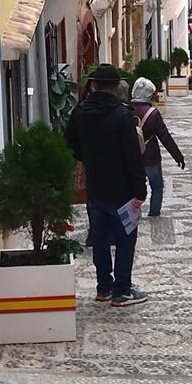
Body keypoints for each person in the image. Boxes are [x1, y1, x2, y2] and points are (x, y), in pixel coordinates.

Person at [65, 64, 149, 306]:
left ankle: (103, 288)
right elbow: (132, 157)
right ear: (116, 87)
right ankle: (122, 290)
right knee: (125, 239)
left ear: (93, 86)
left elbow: (70, 145)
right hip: (122, 189)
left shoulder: (79, 112)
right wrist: (140, 189)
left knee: (100, 239)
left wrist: (88, 157)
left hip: (95, 188)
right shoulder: (122, 116)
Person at [130, 78, 185, 217]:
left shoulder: (125, 110)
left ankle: (133, 213)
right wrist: (177, 156)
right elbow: (165, 137)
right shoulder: (152, 114)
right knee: (157, 186)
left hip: (131, 157)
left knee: (132, 186)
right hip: (150, 156)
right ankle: (154, 213)